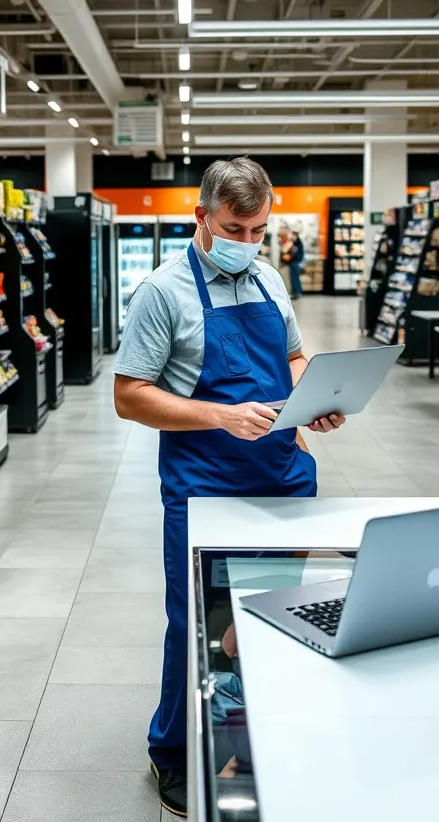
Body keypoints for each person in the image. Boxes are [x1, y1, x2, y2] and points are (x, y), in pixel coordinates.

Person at [112, 157, 345, 816]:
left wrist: (312, 397)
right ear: (201, 218)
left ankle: (250, 735)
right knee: (201, 626)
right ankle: (176, 753)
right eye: (235, 228)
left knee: (268, 621)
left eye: (259, 230)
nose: (248, 243)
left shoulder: (269, 278)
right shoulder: (162, 292)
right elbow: (130, 397)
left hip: (283, 476)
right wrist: (221, 414)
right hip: (205, 486)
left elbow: (294, 356)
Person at [284, 229, 305, 299]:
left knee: (295, 278)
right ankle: (295, 292)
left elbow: (297, 254)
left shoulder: (298, 244)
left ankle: (297, 293)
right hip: (294, 262)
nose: (291, 237)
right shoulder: (295, 243)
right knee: (293, 278)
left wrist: (290, 258)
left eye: (293, 235)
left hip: (295, 263)